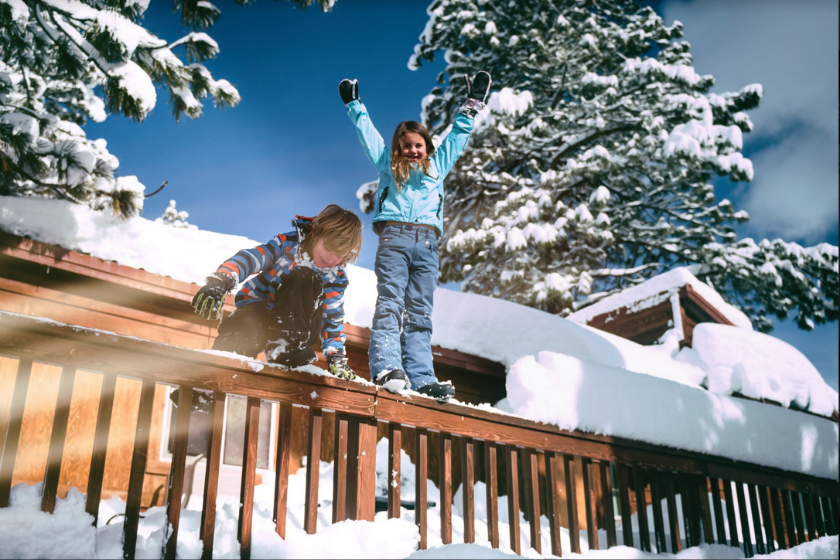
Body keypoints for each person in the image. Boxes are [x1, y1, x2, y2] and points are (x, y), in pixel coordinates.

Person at [339, 71, 492, 402]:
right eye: (406, 145)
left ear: (427, 147)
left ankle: (422, 376)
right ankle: (387, 365)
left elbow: (458, 136)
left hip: (427, 244)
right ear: (398, 148)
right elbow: (369, 136)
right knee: (391, 301)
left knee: (420, 312)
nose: (412, 150)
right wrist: (355, 105)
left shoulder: (438, 167)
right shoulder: (388, 166)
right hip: (394, 238)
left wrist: (472, 105)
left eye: (418, 145)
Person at [191, 204, 362, 380]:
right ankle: (204, 387)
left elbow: (332, 318)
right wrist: (221, 280)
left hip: (300, 326)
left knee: (305, 276)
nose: (331, 258)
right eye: (328, 246)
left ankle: (285, 346)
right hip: (260, 311)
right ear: (316, 233)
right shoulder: (288, 244)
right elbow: (252, 258)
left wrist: (336, 357)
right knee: (242, 324)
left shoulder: (335, 276)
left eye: (340, 254)